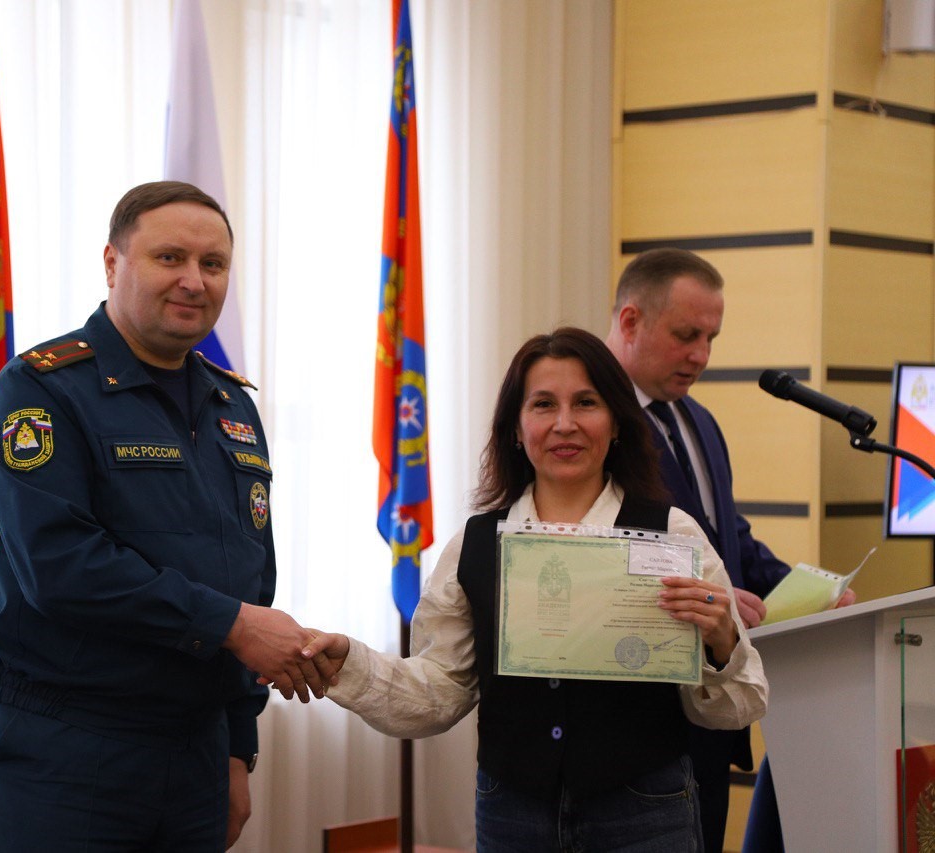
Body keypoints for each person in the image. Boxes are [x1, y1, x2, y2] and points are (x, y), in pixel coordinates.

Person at [0, 181, 332, 852]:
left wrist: (236, 746)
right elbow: (61, 567)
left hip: (195, 754)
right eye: (170, 258)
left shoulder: (232, 406)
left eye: (213, 264)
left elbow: (250, 577)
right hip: (65, 750)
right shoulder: (41, 389)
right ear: (113, 263)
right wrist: (232, 624)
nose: (194, 281)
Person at [303, 327, 768, 852]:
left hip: (645, 815)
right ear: (516, 429)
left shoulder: (673, 535)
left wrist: (722, 641)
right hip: (511, 816)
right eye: (544, 404)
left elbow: (737, 707)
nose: (565, 424)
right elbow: (439, 691)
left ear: (616, 422)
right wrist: (348, 665)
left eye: (586, 403)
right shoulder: (475, 545)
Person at [603, 248, 853, 853]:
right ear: (631, 321)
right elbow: (604, 558)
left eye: (711, 338)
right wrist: (709, 595)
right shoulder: (592, 427)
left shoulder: (698, 420)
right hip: (638, 724)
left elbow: (728, 540)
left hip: (711, 712)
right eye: (687, 335)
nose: (702, 355)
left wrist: (810, 589)